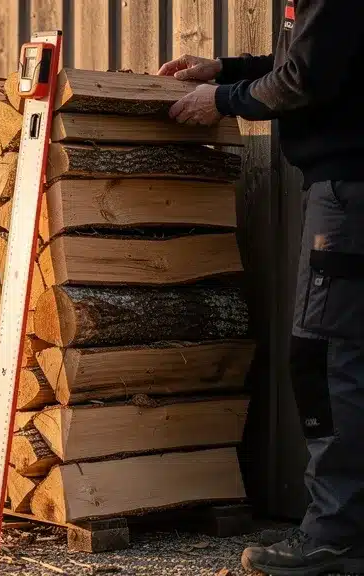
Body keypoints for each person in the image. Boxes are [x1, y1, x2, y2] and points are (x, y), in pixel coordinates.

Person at [157, 1, 364, 575]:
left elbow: (304, 79)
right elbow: (316, 57)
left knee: (328, 362)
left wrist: (222, 99)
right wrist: (224, 69)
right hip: (346, 187)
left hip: (348, 191)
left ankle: (336, 536)